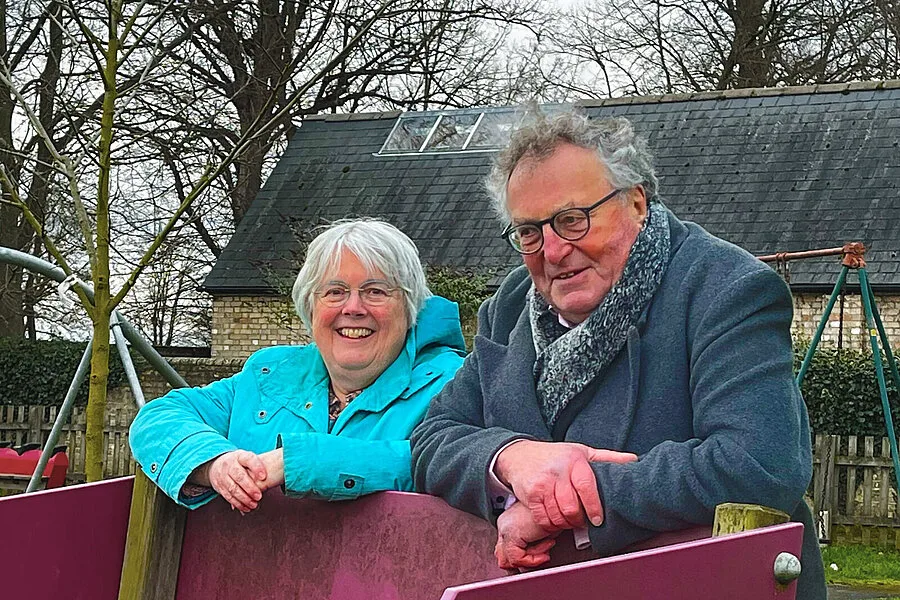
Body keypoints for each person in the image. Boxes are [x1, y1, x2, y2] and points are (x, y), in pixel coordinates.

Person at [410, 110, 825, 599]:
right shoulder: (509, 305)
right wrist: (512, 459)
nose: (553, 250)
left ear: (636, 203)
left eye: (572, 220)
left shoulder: (726, 289)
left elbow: (758, 463)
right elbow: (432, 436)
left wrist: (561, 503)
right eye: (528, 232)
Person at [130, 218, 466, 512]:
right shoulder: (268, 375)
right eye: (334, 292)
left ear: (409, 309)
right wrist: (214, 463)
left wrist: (302, 462)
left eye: (375, 291)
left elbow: (454, 465)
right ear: (310, 306)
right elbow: (159, 417)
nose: (353, 307)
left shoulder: (456, 384)